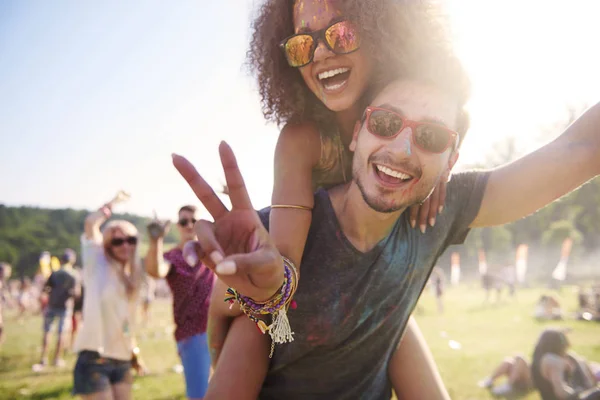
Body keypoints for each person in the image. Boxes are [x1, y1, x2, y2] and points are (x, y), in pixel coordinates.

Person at [174, 60, 600, 398]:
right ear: (357, 133)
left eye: (431, 136)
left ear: (451, 160)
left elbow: (580, 148)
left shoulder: (440, 213)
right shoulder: (276, 242)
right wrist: (256, 296)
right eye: (385, 123)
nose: (401, 148)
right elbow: (233, 351)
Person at [206, 0, 455, 396]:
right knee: (246, 326)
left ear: (383, 35)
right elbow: (282, 278)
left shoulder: (427, 127)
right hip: (285, 308)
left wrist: (436, 171)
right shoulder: (301, 141)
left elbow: (457, 112)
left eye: (342, 33)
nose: (321, 52)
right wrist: (225, 307)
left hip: (375, 296)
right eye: (301, 46)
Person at [72, 192, 142, 400]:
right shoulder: (97, 261)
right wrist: (111, 204)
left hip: (122, 359)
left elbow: (127, 320)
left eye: (130, 240)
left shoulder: (133, 274)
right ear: (107, 244)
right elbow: (91, 223)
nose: (125, 245)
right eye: (117, 241)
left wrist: (134, 351)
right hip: (94, 357)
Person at [144, 205, 214, 400]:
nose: (189, 225)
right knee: (200, 394)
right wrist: (156, 240)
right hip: (193, 333)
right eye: (184, 221)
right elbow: (156, 270)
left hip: (221, 328)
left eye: (194, 221)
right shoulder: (173, 257)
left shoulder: (212, 250)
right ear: (178, 226)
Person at [531, 328, 600, 400]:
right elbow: (561, 393)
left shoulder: (541, 359)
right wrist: (580, 391)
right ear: (556, 344)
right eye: (564, 341)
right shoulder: (552, 360)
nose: (568, 345)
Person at [36, 249, 77, 369]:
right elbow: (76, 293)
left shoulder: (55, 273)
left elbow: (46, 288)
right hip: (65, 306)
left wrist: (54, 293)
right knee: (62, 333)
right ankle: (57, 359)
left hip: (52, 305)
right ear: (72, 260)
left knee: (47, 332)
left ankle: (43, 358)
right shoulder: (74, 274)